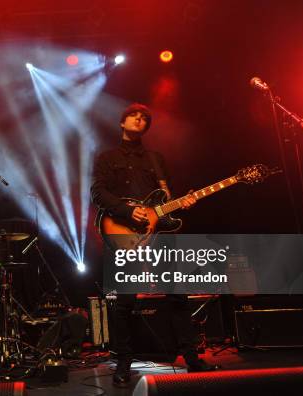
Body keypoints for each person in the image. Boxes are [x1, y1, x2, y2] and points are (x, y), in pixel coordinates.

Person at [90, 103, 218, 387]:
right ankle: (123, 362)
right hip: (124, 232)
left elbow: (166, 198)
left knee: (177, 296)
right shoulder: (107, 158)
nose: (140, 119)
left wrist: (184, 202)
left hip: (161, 234)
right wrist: (126, 211)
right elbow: (98, 192)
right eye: (135, 116)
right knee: (124, 301)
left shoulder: (156, 159)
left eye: (145, 118)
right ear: (122, 123)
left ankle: (192, 359)